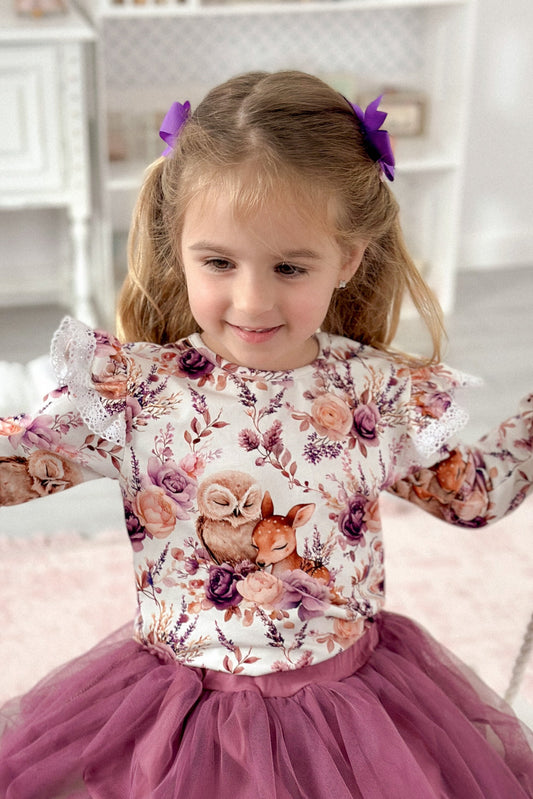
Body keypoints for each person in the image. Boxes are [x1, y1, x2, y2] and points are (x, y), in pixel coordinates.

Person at [0, 69, 532, 799]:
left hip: (349, 717)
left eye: (288, 266)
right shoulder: (134, 395)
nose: (251, 300)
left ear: (347, 258)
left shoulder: (376, 395)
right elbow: (17, 464)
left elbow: (474, 495)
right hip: (183, 720)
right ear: (178, 245)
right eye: (219, 262)